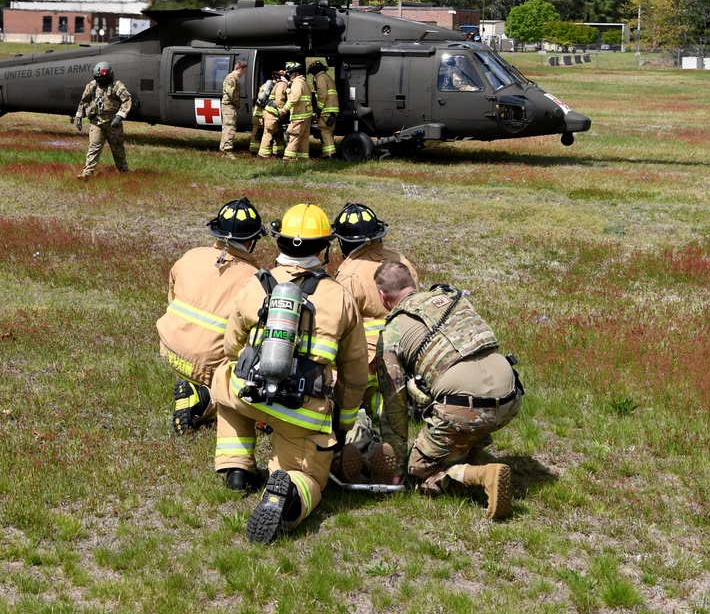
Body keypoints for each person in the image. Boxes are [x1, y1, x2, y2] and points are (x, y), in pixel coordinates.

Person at [212, 204, 367, 543]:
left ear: (279, 242)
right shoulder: (339, 297)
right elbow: (356, 372)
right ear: (324, 249)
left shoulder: (255, 284)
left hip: (248, 394)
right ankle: (289, 493)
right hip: (301, 412)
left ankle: (236, 466)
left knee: (223, 376)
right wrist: (340, 424)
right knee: (310, 475)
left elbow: (230, 348)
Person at [373, 260, 524, 519]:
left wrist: (396, 469)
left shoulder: (391, 334)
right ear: (414, 283)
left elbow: (395, 410)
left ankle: (478, 475)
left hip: (466, 410)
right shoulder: (451, 297)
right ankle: (472, 448)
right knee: (461, 411)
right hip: (512, 396)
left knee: (419, 472)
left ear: (382, 296)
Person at [157, 198, 267, 434]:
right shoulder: (255, 280)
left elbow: (172, 297)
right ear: (251, 240)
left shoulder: (190, 256)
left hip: (170, 351)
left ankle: (197, 388)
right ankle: (205, 397)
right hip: (210, 367)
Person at [331, 203, 419, 484]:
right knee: (388, 406)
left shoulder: (348, 273)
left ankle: (358, 448)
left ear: (343, 242)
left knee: (351, 409)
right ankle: (390, 448)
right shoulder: (402, 264)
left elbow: (339, 322)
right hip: (400, 366)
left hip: (362, 365)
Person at [75, 61, 132, 177]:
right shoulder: (92, 86)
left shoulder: (117, 86)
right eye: (99, 78)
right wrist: (79, 117)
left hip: (113, 123)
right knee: (93, 148)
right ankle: (87, 174)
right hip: (96, 122)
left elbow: (127, 100)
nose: (102, 80)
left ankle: (124, 172)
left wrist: (119, 116)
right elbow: (84, 101)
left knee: (117, 149)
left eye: (104, 78)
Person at [307, 60, 339, 159]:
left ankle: (329, 155)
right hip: (332, 110)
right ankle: (331, 153)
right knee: (329, 132)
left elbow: (322, 95)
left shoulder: (320, 78)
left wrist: (319, 109)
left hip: (326, 110)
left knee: (325, 132)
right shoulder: (328, 77)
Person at [283, 62, 312, 161]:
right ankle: (303, 160)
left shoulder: (297, 83)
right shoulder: (304, 82)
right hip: (306, 115)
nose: (290, 75)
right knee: (304, 138)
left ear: (296, 73)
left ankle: (287, 159)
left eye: (291, 73)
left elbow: (295, 98)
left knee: (294, 136)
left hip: (299, 115)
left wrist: (284, 109)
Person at [258, 70, 288, 159]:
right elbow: (279, 100)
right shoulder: (282, 84)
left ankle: (278, 152)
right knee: (269, 134)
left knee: (278, 133)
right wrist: (282, 111)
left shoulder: (268, 85)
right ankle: (263, 155)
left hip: (269, 113)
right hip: (273, 113)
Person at [220, 60, 247, 158]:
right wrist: (236, 102)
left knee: (226, 127)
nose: (244, 73)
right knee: (230, 128)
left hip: (229, 105)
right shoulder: (233, 77)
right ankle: (228, 151)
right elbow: (230, 93)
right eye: (244, 71)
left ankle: (223, 150)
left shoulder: (233, 77)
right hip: (229, 105)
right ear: (241, 69)